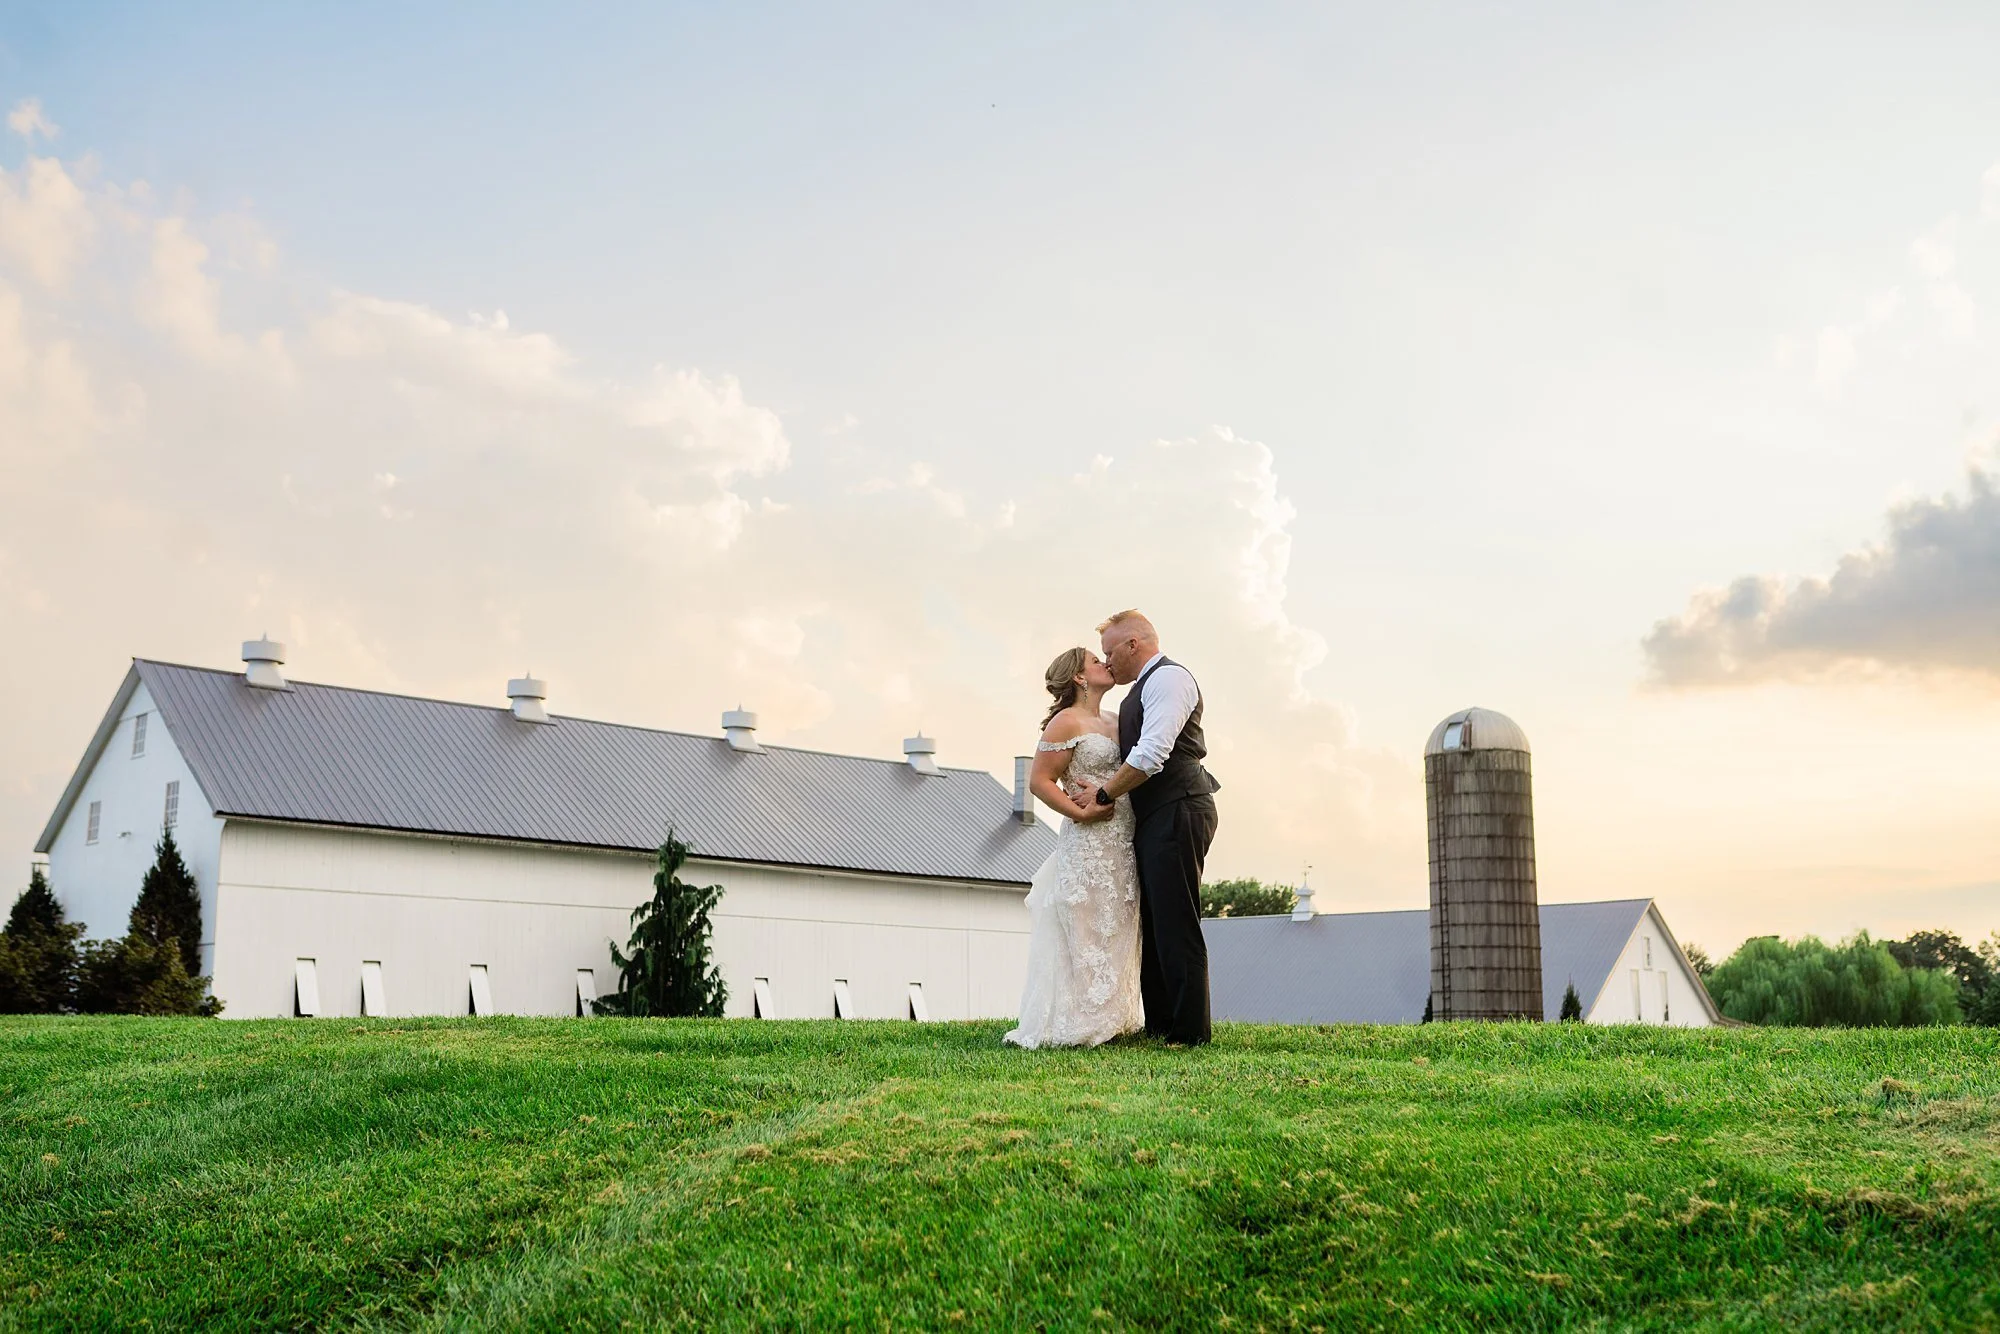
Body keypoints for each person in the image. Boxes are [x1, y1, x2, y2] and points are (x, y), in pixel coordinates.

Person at [1072, 610, 1220, 1046]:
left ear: (1133, 645)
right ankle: (1160, 1024)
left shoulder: (1169, 680)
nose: (1108, 661)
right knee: (1154, 921)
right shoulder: (1138, 692)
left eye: (1110, 652)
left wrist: (1103, 794)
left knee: (1177, 919)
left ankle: (1190, 1032)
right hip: (1157, 813)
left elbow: (1152, 752)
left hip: (1180, 806)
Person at [1003, 647, 1145, 1049]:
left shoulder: (1117, 722)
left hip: (1124, 835)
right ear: (1080, 678)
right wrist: (1079, 814)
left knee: (1118, 918)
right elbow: (1040, 782)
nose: (1106, 663)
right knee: (1085, 919)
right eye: (1095, 662)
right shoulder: (1066, 722)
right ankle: (1078, 1018)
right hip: (1089, 840)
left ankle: (1115, 1016)